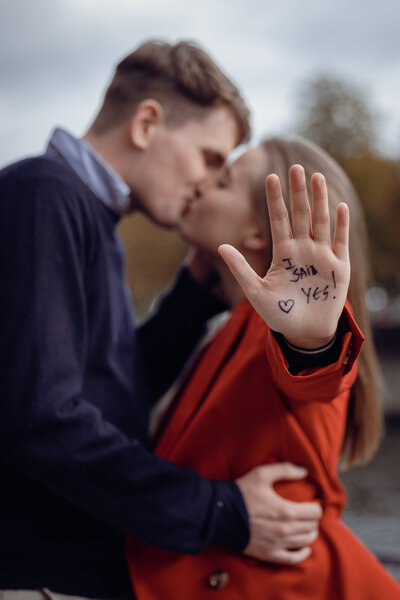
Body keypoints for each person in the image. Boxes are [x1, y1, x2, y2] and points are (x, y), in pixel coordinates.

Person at [0, 42, 322, 598]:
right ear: (147, 123)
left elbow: (113, 389)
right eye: (210, 158)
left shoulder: (89, 217)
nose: (205, 183)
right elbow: (42, 419)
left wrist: (197, 291)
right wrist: (219, 510)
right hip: (44, 578)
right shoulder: (44, 194)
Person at [126, 136, 400, 598]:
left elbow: (315, 385)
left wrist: (312, 341)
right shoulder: (231, 322)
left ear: (257, 230)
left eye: (224, 180)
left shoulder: (276, 328)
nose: (200, 186)